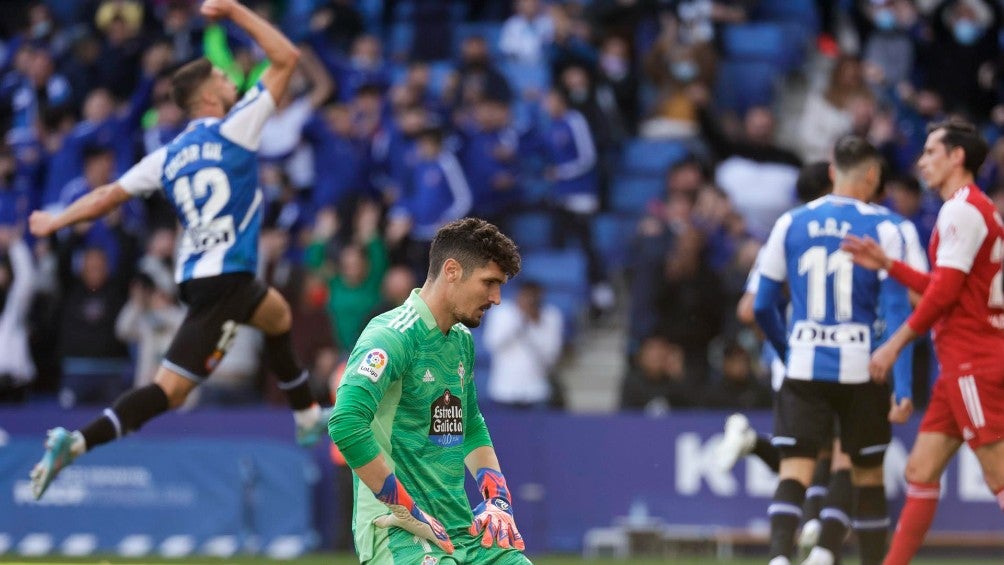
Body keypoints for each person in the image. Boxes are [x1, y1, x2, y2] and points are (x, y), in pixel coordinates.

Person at [27, 0, 326, 500]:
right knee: (171, 392)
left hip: (200, 277)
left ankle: (307, 415)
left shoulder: (165, 156)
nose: (233, 81)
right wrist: (233, 11)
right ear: (209, 95)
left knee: (276, 315)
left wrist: (56, 218)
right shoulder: (237, 128)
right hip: (227, 279)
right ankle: (76, 443)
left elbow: (105, 197)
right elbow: (287, 58)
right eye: (224, 79)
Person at [841, 118, 1004, 565]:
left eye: (931, 152)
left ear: (957, 157)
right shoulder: (972, 207)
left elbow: (944, 294)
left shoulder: (962, 210)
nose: (921, 161)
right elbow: (943, 285)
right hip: (962, 364)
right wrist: (889, 264)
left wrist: (895, 344)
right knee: (920, 470)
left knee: (999, 476)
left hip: (973, 361)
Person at [328, 218, 531, 565]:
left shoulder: (461, 340)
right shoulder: (392, 336)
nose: (496, 298)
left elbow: (470, 425)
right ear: (451, 271)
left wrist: (498, 499)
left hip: (459, 530)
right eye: (490, 283)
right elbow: (346, 422)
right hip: (398, 532)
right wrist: (405, 508)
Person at [754, 136, 912, 565]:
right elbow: (900, 307)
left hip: (804, 365)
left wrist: (788, 351)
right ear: (873, 176)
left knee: (796, 469)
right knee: (864, 474)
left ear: (830, 170)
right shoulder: (889, 227)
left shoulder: (790, 223)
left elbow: (761, 304)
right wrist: (903, 382)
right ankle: (837, 554)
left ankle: (780, 557)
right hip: (863, 367)